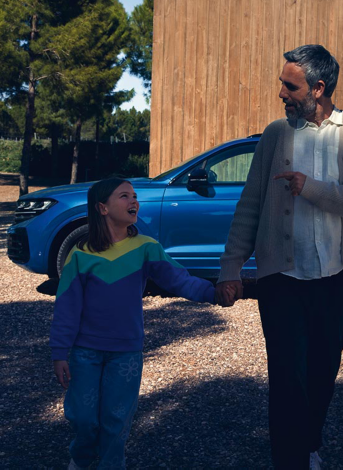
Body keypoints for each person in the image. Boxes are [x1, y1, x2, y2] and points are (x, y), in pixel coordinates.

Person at [215, 44, 343, 469]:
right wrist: (230, 268)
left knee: (323, 374)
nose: (281, 94)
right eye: (282, 85)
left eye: (289, 86)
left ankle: (308, 442)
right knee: (287, 380)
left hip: (335, 278)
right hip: (282, 279)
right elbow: (251, 203)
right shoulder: (277, 134)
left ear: (318, 88)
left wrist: (310, 187)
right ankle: (289, 459)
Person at [50, 177, 224, 469]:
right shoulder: (80, 254)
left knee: (116, 420)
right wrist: (59, 352)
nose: (133, 201)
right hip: (84, 352)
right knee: (82, 417)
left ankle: (110, 464)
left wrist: (214, 292)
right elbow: (67, 307)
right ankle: (80, 459)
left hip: (126, 353)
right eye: (124, 196)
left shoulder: (146, 248)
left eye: (134, 196)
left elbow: (179, 280)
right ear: (102, 208)